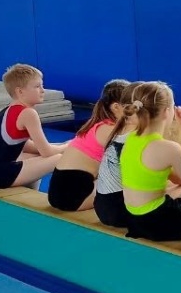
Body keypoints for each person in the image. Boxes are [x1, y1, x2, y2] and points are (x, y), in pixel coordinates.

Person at [0, 63, 65, 189]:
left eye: (42, 86)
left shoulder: (9, 110)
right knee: (59, 158)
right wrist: (70, 146)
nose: (43, 90)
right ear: (20, 91)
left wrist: (61, 145)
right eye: (37, 86)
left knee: (36, 156)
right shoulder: (28, 113)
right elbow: (47, 152)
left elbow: (26, 146)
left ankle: (31, 194)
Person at [119, 80, 181, 241]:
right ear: (167, 112)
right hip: (158, 223)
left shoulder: (131, 138)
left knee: (176, 191)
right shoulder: (168, 148)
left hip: (133, 220)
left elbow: (177, 178)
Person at [47, 79, 128, 212]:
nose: (137, 111)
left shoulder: (98, 124)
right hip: (73, 198)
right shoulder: (110, 130)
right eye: (132, 106)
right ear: (116, 107)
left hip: (58, 195)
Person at [94, 81, 142, 229]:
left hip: (102, 208)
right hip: (120, 211)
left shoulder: (117, 129)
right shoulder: (138, 137)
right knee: (177, 190)